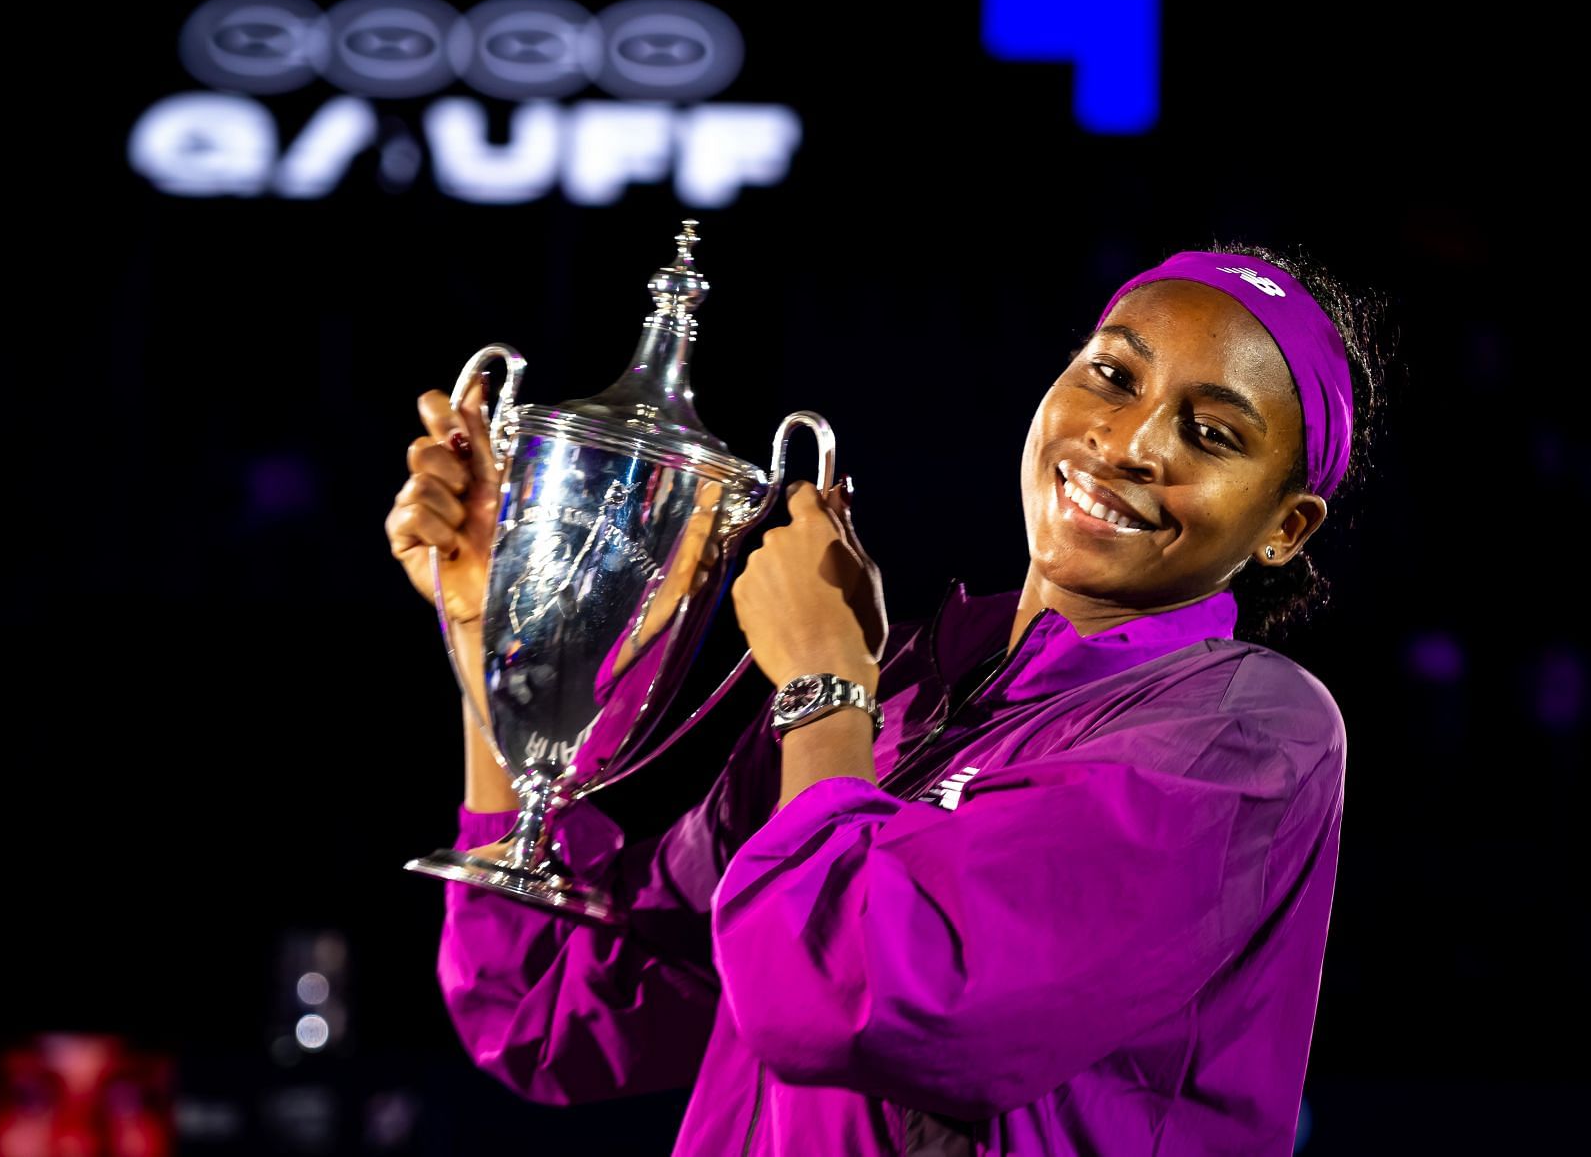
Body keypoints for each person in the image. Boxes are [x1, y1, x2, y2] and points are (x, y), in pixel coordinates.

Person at [384, 242, 1388, 1155]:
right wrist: (503, 639)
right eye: (1113, 375)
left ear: (1285, 526)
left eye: (1211, 432)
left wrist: (824, 688)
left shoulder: (1242, 732)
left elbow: (844, 998)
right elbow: (547, 1015)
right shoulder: (906, 681)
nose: (1129, 441)